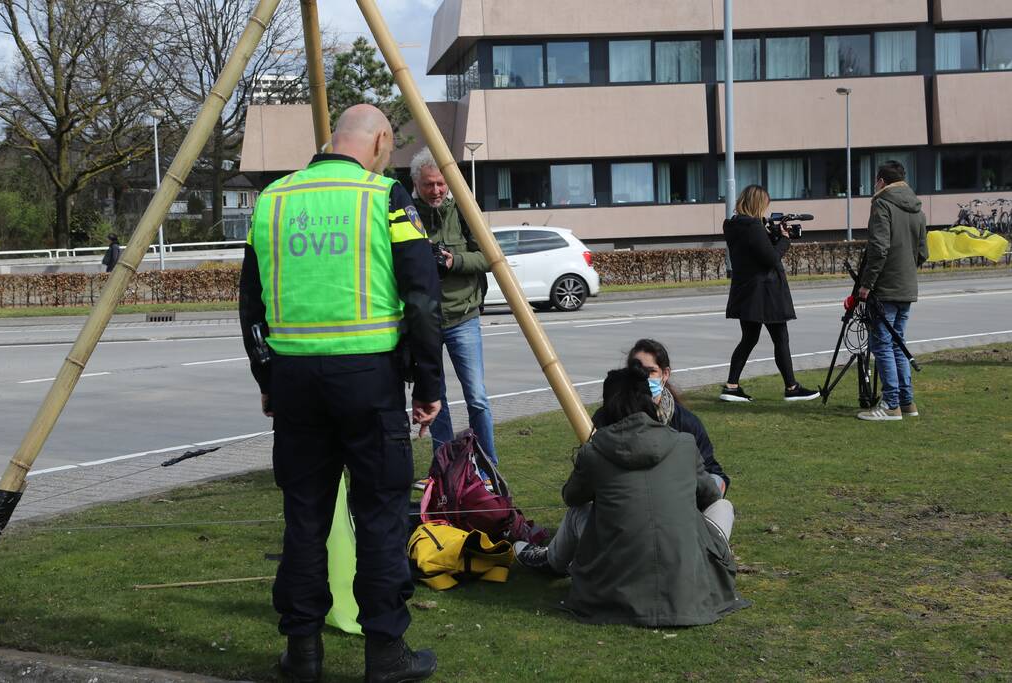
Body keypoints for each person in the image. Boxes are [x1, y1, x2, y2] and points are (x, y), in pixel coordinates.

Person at [239, 105, 443, 683]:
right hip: (368, 380)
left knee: (303, 515)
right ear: (380, 139)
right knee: (378, 514)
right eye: (390, 147)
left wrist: (267, 380)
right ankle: (385, 654)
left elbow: (251, 304)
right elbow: (422, 301)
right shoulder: (386, 197)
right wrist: (428, 385)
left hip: (296, 382)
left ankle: (301, 653)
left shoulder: (272, 201)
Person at [514, 362, 748, 626]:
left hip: (614, 584)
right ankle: (707, 564)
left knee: (579, 513)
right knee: (724, 507)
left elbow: (572, 498)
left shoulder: (596, 451)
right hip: (686, 589)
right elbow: (710, 497)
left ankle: (551, 561)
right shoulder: (683, 443)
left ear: (608, 406)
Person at [409, 147, 497, 463]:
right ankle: (445, 469)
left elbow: (490, 255)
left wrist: (454, 261)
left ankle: (489, 469)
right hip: (425, 320)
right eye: (429, 185)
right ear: (416, 184)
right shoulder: (404, 214)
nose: (436, 190)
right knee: (437, 399)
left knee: (477, 398)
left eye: (441, 184)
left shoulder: (464, 208)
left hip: (463, 316)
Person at [720, 185, 819, 403]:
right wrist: (784, 239)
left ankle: (731, 386)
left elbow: (755, 252)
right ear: (758, 204)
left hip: (746, 289)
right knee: (780, 338)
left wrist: (771, 234)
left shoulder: (734, 225)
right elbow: (771, 259)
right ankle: (791, 387)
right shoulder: (754, 226)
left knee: (749, 338)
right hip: (765, 292)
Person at [594, 338, 729, 495]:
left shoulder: (686, 422)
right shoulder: (606, 416)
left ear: (665, 374)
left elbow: (712, 470)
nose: (643, 377)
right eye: (637, 370)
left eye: (650, 371)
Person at [856, 160, 929, 421]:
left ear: (881, 181)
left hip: (885, 287)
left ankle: (890, 404)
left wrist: (866, 284)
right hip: (907, 286)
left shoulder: (882, 204)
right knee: (898, 343)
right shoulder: (917, 209)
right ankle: (906, 402)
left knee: (882, 345)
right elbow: (923, 252)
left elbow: (878, 248)